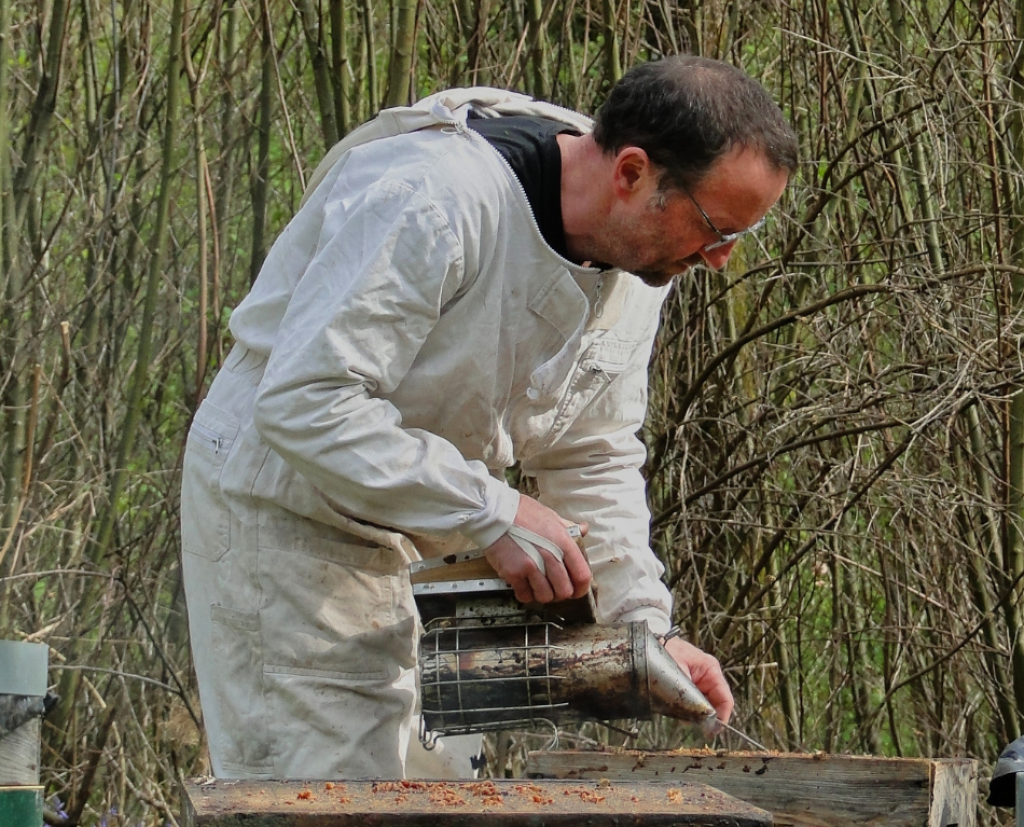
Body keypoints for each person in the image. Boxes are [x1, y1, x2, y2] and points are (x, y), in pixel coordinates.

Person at [180, 54, 797, 780]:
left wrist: (642, 629)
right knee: (329, 791)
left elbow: (594, 451)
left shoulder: (642, 257)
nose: (720, 258)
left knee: (439, 791)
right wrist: (492, 510)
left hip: (426, 539)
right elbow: (307, 400)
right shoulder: (434, 197)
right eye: (716, 228)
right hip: (285, 512)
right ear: (633, 173)